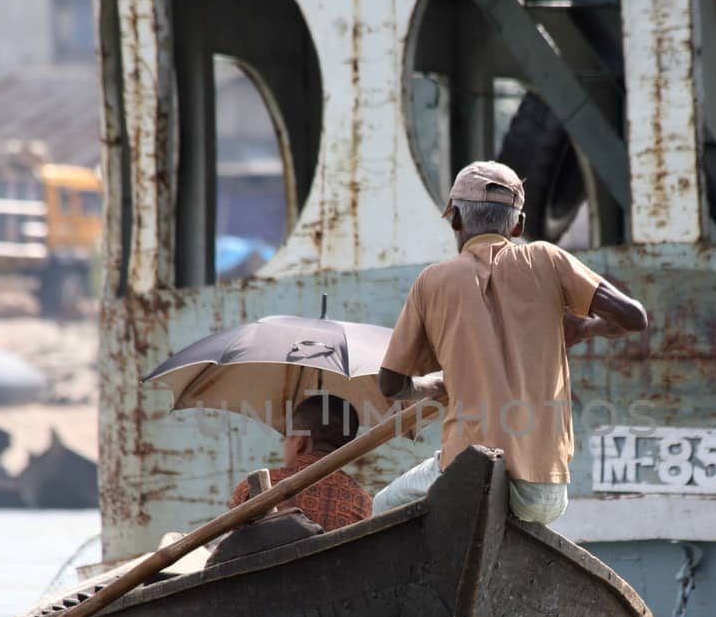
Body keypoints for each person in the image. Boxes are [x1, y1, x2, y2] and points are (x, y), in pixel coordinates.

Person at [372, 160, 647, 525]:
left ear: (455, 219)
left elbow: (391, 384)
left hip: (468, 476)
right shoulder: (547, 259)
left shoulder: (431, 282)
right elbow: (633, 318)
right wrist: (585, 329)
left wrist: (434, 383)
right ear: (519, 225)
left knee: (383, 505)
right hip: (543, 492)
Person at [228, 394, 372, 531]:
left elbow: (229, 548)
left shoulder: (255, 488)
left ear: (299, 442)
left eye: (287, 436)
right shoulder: (363, 503)